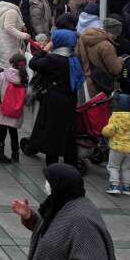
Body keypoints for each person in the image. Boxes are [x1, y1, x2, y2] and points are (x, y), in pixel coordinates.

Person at [13, 163, 130, 260]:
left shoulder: (83, 221)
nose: (47, 184)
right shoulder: (62, 204)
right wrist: (30, 217)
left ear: (60, 184)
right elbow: (53, 233)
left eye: (49, 181)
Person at [28, 30, 82, 168]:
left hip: (54, 100)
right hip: (69, 100)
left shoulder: (54, 60)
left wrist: (45, 49)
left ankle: (52, 165)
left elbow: (33, 63)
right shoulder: (73, 59)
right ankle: (72, 164)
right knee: (68, 133)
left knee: (52, 132)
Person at [0, 52, 26, 165]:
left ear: (11, 63)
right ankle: (15, 155)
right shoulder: (24, 77)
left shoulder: (3, 75)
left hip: (2, 109)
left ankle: (0, 154)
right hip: (16, 110)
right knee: (14, 132)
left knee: (2, 132)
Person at [100, 93, 130, 197]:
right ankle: (126, 187)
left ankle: (114, 186)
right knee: (127, 168)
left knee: (113, 167)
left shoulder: (115, 117)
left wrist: (103, 131)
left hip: (117, 148)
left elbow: (109, 131)